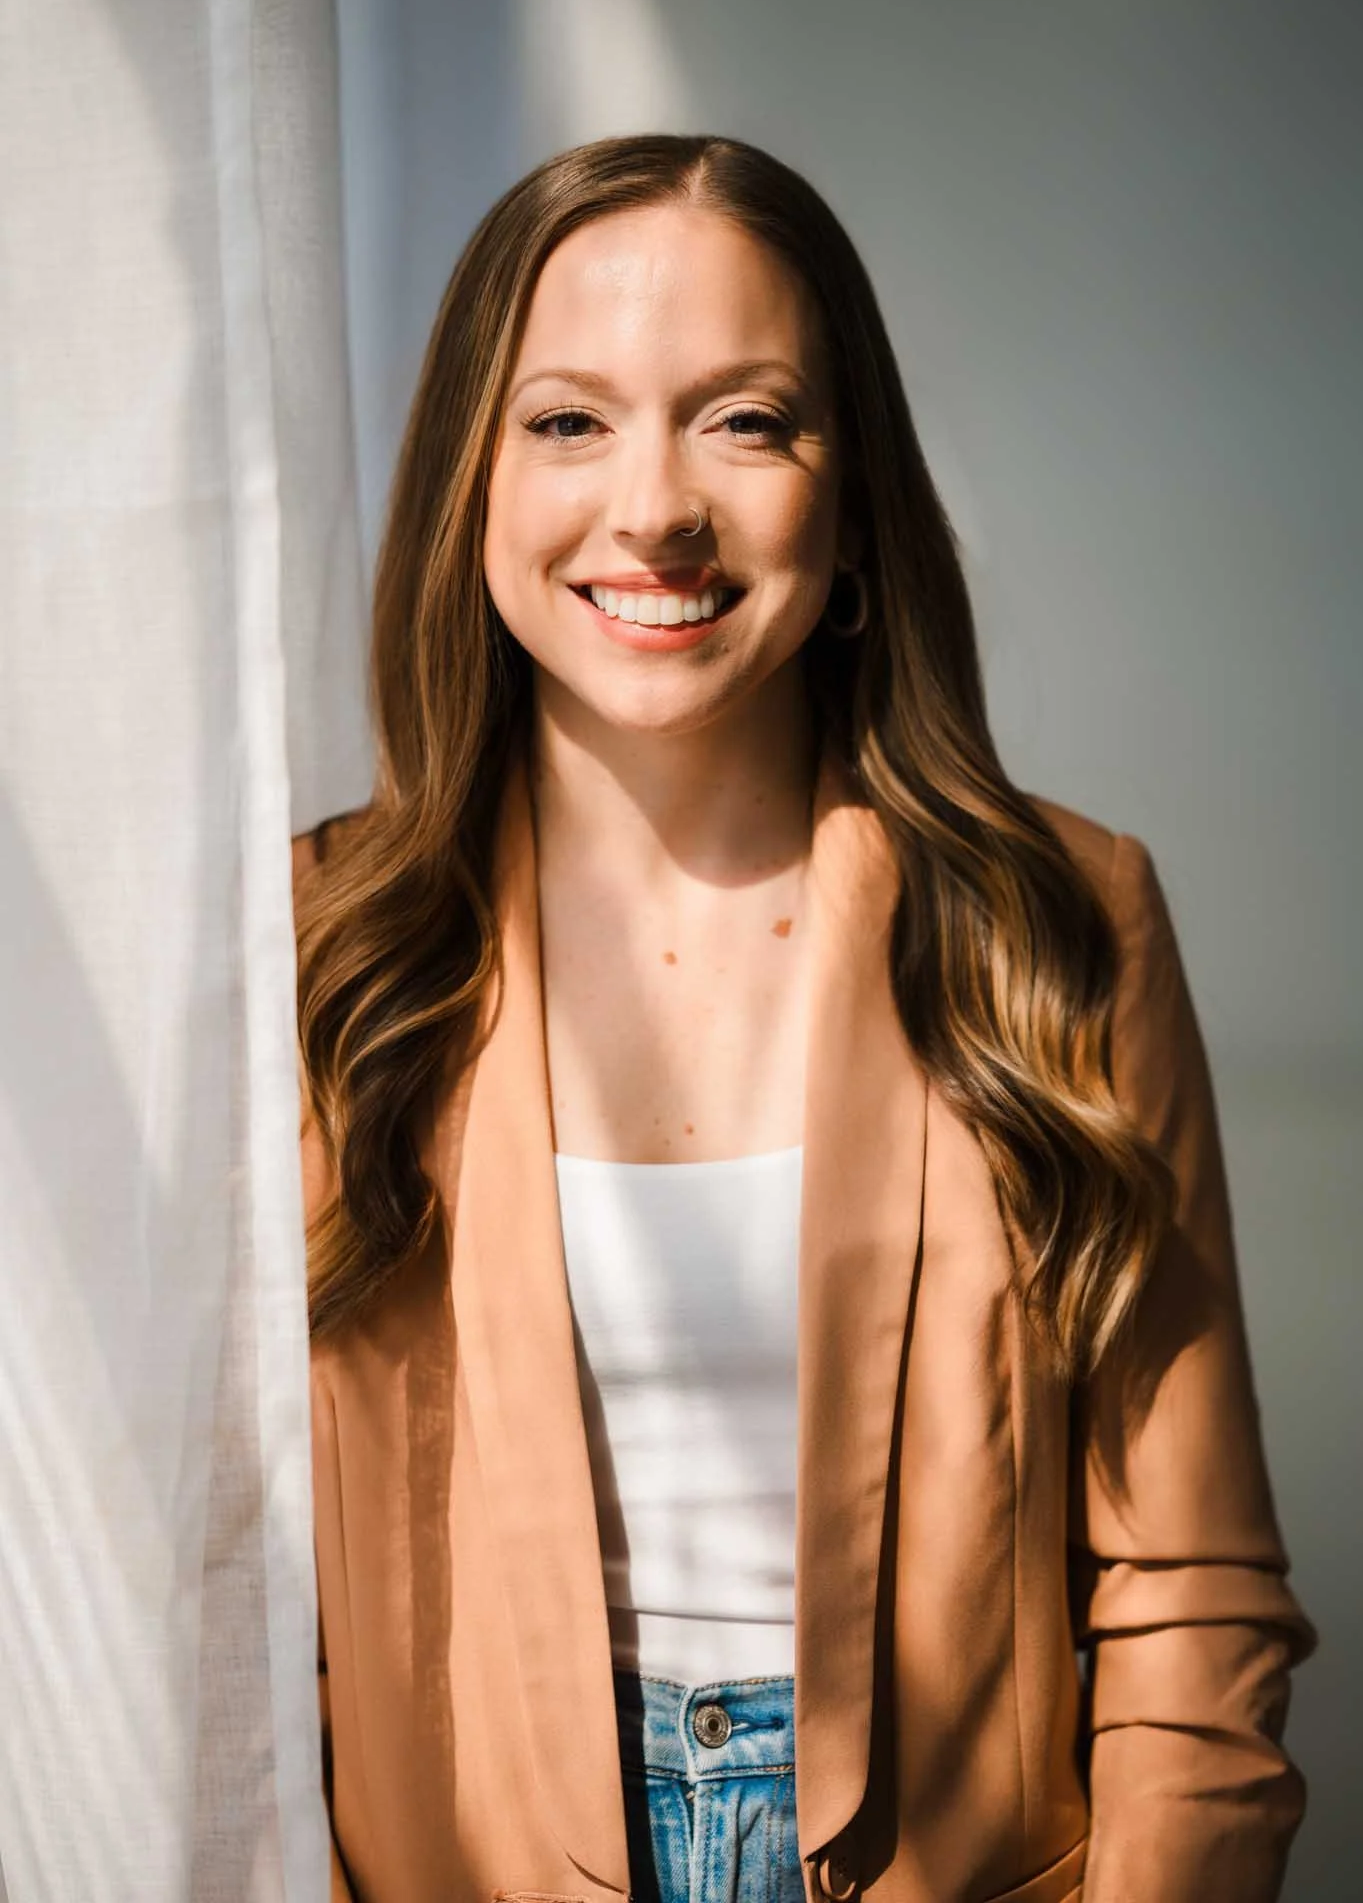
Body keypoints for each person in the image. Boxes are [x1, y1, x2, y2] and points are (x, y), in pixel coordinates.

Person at [291, 133, 1315, 1903]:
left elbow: (1188, 1585)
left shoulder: (1060, 923)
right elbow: (232, 1590)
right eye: (567, 422)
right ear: (468, 481)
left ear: (851, 502)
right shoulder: (328, 946)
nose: (655, 509)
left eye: (746, 419)